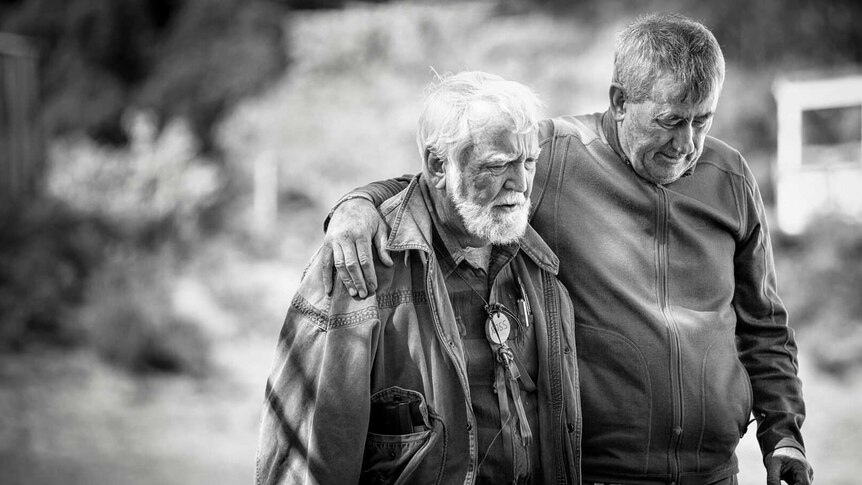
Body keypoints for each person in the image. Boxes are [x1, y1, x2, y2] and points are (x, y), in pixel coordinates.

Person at [321, 12, 814, 485]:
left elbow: (763, 323)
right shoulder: (552, 154)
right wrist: (358, 203)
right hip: (593, 473)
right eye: (668, 121)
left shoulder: (730, 177)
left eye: (701, 121)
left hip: (715, 474)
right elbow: (451, 180)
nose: (686, 144)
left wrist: (783, 434)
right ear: (620, 101)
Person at [256, 71, 581, 485]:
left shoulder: (532, 255)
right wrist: (357, 203)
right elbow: (305, 462)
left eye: (529, 162)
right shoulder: (360, 264)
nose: (520, 183)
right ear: (437, 165)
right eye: (497, 166)